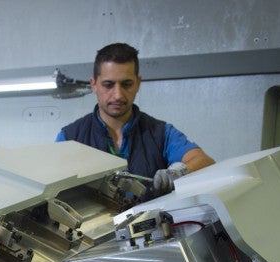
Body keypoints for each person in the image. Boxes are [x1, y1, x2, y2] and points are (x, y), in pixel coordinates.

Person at [56, 42, 214, 198]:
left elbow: (204, 161)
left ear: (138, 84)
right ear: (94, 85)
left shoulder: (160, 133)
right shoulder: (69, 138)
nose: (118, 95)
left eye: (126, 84)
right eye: (108, 85)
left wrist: (178, 172)